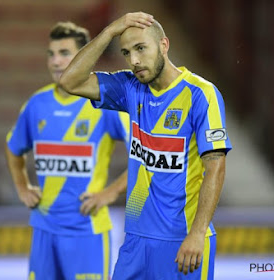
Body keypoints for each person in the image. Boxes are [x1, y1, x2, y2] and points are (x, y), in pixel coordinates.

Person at [60, 12, 232, 280]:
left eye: (141, 48)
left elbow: (216, 167)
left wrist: (197, 234)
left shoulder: (200, 94)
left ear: (164, 45)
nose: (135, 60)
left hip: (182, 240)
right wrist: (108, 33)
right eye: (127, 52)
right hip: (136, 241)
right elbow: (70, 81)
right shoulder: (130, 88)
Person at [4, 21, 129, 280]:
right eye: (51, 54)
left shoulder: (103, 104)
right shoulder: (37, 103)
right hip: (44, 229)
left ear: (84, 58)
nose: (55, 61)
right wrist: (22, 187)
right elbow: (13, 147)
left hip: (87, 232)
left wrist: (110, 192)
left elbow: (144, 154)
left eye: (64, 53)